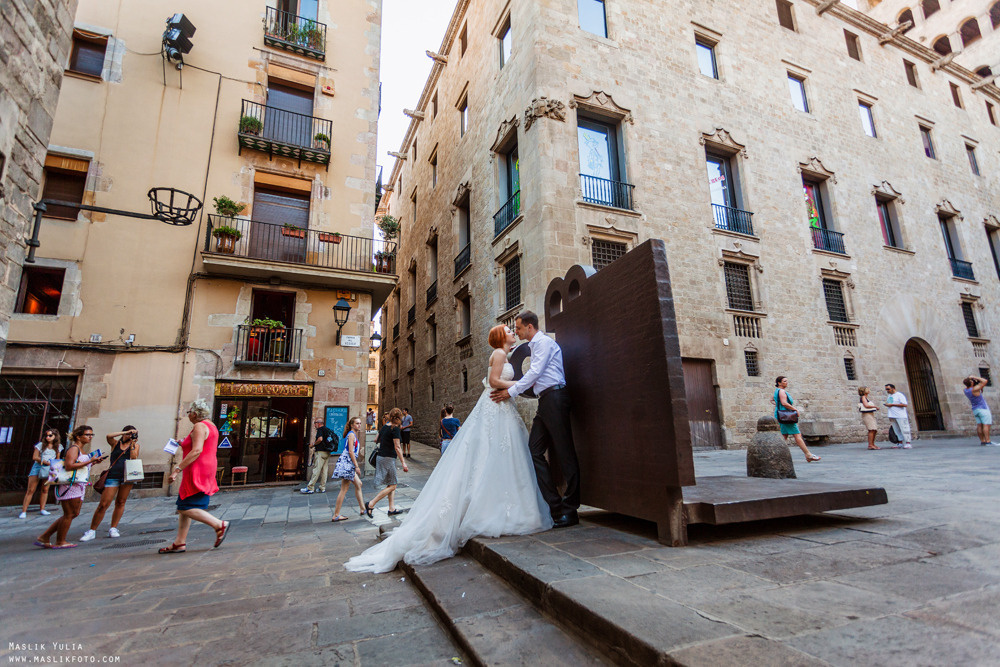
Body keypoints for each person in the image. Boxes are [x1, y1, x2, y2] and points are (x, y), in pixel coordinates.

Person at [346, 325, 552, 573]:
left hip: (501, 408)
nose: (512, 331)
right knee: (492, 454)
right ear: (500, 337)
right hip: (496, 408)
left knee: (500, 457)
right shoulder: (498, 354)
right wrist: (521, 383)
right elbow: (495, 381)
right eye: (509, 330)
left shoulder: (504, 354)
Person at [491, 310, 582, 528]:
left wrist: (510, 392)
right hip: (545, 401)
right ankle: (555, 505)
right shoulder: (534, 345)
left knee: (565, 451)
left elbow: (535, 374)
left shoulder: (543, 344)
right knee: (534, 450)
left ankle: (571, 510)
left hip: (555, 397)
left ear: (529, 327)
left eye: (519, 328)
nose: (517, 331)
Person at [159, 399, 230, 554]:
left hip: (197, 468)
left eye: (189, 412)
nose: (188, 415)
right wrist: (182, 442)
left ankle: (219, 525)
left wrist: (177, 469)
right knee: (186, 504)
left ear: (195, 414)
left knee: (186, 507)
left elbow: (197, 450)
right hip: (207, 467)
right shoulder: (211, 426)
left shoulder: (199, 426)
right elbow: (199, 444)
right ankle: (180, 542)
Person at [35, 425, 106, 549]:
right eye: (87, 434)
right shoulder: (74, 449)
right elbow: (69, 466)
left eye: (91, 435)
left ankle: (45, 537)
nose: (90, 437)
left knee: (74, 513)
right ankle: (60, 541)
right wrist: (89, 461)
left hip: (78, 484)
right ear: (78, 436)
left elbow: (80, 467)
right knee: (69, 513)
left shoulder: (80, 449)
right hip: (70, 485)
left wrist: (93, 462)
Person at [81, 426, 139, 541]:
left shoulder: (135, 445)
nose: (130, 436)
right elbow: (108, 436)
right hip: (113, 475)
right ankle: (92, 530)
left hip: (128, 476)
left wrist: (132, 443)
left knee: (121, 502)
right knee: (103, 504)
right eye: (128, 433)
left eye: (132, 434)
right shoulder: (115, 443)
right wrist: (125, 432)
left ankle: (113, 528)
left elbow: (134, 457)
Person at [362, 408, 409, 518]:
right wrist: (403, 462)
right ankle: (371, 503)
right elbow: (397, 447)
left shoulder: (385, 427)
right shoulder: (395, 429)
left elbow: (375, 439)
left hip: (381, 457)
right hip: (388, 458)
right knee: (393, 485)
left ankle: (391, 508)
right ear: (399, 417)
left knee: (391, 483)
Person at [773, 376, 822, 462]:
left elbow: (772, 400)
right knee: (797, 435)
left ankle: (775, 455)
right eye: (784, 381)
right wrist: (794, 409)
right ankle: (808, 454)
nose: (786, 382)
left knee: (783, 436)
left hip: (782, 415)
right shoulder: (781, 391)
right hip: (787, 416)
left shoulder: (777, 391)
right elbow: (784, 403)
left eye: (787, 381)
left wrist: (778, 406)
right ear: (779, 383)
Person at [20, 428, 62, 519]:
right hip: (38, 467)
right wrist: (46, 462)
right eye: (46, 435)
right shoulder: (41, 445)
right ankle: (24, 511)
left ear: (55, 436)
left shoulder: (58, 446)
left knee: (45, 489)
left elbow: (57, 459)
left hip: (49, 468)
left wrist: (56, 469)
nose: (48, 437)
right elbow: (35, 457)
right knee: (31, 490)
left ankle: (42, 509)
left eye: (50, 435)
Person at [331, 417, 366, 521]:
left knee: (358, 484)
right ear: (352, 425)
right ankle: (336, 514)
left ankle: (363, 508)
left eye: (360, 423)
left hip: (349, 464)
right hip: (348, 464)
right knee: (344, 489)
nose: (359, 425)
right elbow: (351, 451)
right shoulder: (351, 435)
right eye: (357, 423)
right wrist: (357, 466)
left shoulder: (353, 434)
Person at [301, 417, 337, 494]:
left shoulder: (320, 430)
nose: (314, 425)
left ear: (319, 423)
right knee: (324, 470)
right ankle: (322, 487)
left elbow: (320, 439)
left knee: (316, 470)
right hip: (327, 452)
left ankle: (310, 487)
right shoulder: (327, 430)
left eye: (315, 423)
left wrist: (313, 444)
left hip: (320, 452)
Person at [963, 376, 997, 446]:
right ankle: (988, 441)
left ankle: (983, 441)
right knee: (986, 425)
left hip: (975, 409)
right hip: (983, 409)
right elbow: (984, 381)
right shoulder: (974, 389)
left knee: (979, 425)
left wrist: (971, 381)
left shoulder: (965, 390)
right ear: (971, 383)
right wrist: (974, 377)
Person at [884, 383, 912, 449]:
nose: (887, 391)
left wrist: (893, 405)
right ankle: (900, 442)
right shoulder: (890, 396)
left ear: (893, 388)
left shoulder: (899, 395)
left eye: (888, 389)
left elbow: (904, 404)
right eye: (886, 389)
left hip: (900, 415)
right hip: (892, 415)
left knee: (904, 429)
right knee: (896, 430)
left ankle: (908, 443)